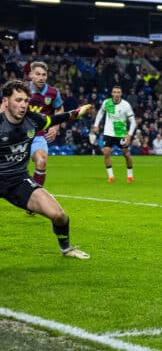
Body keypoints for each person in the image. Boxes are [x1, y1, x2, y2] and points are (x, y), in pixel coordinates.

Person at [0, 79, 91, 259]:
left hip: (18, 180)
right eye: (18, 100)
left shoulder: (33, 120)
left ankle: (66, 248)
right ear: (5, 102)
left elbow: (53, 119)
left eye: (26, 101)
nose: (23, 105)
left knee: (59, 215)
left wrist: (76, 113)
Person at [27, 61, 64, 187]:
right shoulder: (21, 90)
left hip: (38, 135)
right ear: (31, 75)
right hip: (18, 134)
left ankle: (34, 194)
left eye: (44, 74)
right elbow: (5, 106)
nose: (41, 77)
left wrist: (55, 126)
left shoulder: (53, 93)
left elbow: (59, 108)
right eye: (38, 74)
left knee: (41, 161)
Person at [91, 85, 136, 183]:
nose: (116, 94)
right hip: (108, 132)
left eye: (118, 92)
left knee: (126, 154)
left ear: (121, 94)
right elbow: (100, 113)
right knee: (106, 153)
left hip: (121, 133)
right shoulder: (106, 103)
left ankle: (130, 176)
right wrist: (96, 125)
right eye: (114, 92)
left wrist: (129, 135)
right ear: (112, 93)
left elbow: (133, 122)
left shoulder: (126, 105)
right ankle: (111, 177)